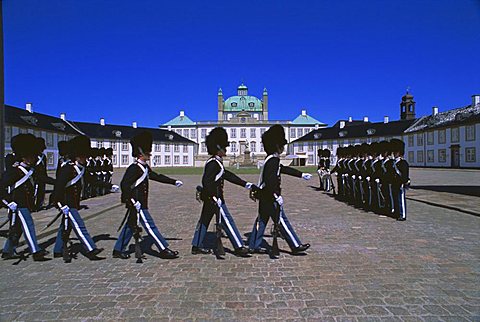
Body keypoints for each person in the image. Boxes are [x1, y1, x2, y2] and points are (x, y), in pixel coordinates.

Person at [113, 131, 182, 260]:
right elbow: (125, 185)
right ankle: (163, 249)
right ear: (141, 153)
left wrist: (173, 181)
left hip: (140, 203)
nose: (150, 154)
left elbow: (156, 176)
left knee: (129, 226)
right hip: (137, 204)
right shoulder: (133, 168)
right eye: (148, 152)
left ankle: (118, 249)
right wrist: (132, 201)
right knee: (150, 226)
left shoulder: (144, 168)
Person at [248, 125, 312, 254]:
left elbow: (283, 169)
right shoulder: (273, 161)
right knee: (281, 220)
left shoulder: (271, 159)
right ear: (277, 146)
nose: (283, 148)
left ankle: (254, 245)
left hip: (264, 196)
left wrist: (300, 174)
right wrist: (276, 195)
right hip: (270, 196)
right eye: (282, 145)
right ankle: (295, 245)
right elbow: (270, 180)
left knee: (261, 220)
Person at [192, 127, 254, 257]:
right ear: (218, 148)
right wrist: (214, 197)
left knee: (204, 221)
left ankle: (196, 246)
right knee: (227, 221)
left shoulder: (216, 162)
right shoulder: (213, 163)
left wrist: (245, 184)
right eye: (224, 147)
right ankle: (238, 246)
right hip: (215, 199)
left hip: (211, 199)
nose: (226, 150)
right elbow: (206, 182)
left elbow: (228, 176)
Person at [52, 135, 104, 260]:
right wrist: (59, 204)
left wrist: (110, 186)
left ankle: (57, 250)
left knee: (66, 226)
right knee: (79, 225)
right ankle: (90, 249)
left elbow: (92, 181)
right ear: (77, 156)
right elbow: (58, 187)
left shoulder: (81, 169)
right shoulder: (67, 169)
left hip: (74, 203)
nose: (86, 158)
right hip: (67, 203)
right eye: (84, 156)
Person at [0, 134, 50, 261]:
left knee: (16, 230)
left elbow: (43, 178)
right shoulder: (14, 171)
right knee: (29, 225)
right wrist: (8, 202)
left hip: (25, 203)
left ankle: (7, 251)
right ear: (24, 156)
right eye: (31, 156)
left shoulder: (30, 170)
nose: (33, 158)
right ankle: (35, 251)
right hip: (17, 204)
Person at [390, 139, 410, 221]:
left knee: (401, 199)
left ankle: (403, 215)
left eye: (396, 152)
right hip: (394, 183)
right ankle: (397, 213)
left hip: (400, 184)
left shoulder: (403, 163)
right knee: (395, 199)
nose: (394, 154)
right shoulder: (393, 162)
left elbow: (405, 174)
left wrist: (403, 182)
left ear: (400, 152)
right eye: (394, 152)